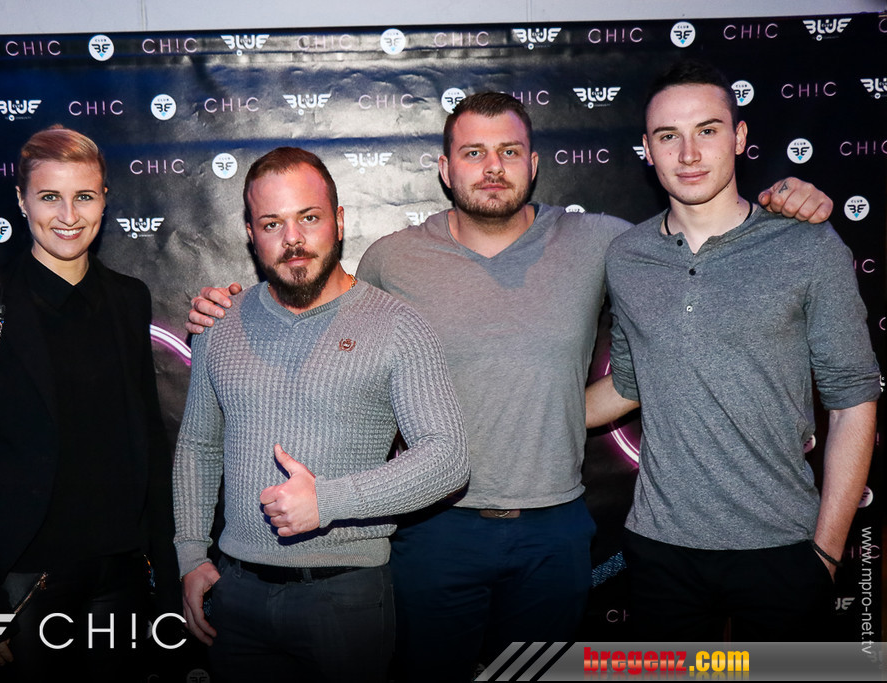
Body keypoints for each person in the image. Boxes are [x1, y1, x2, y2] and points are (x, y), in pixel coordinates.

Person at [185, 94, 833, 680]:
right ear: (445, 169)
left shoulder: (602, 242)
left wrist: (784, 206)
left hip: (554, 529)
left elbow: (695, 248)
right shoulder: (392, 257)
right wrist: (233, 309)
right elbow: (320, 304)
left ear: (534, 164)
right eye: (474, 153)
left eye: (509, 152)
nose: (492, 167)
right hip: (433, 531)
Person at [586, 59, 880, 640]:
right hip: (659, 549)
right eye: (668, 136)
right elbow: (628, 384)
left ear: (739, 137)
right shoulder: (627, 256)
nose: (688, 153)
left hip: (784, 547)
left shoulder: (808, 245)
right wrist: (519, 415)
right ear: (647, 150)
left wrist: (826, 552)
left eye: (707, 130)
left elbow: (852, 403)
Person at [173, 147, 468, 683]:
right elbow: (199, 446)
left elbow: (448, 459)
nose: (293, 239)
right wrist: (191, 555)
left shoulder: (396, 325)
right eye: (272, 223)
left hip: (346, 597)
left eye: (308, 217)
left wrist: (328, 501)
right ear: (251, 234)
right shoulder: (220, 323)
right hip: (236, 595)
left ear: (339, 221)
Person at [0, 126, 179, 680]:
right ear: (22, 201)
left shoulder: (128, 298)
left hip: (122, 577)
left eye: (84, 196)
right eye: (49, 196)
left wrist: (168, 574)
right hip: (23, 583)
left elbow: (148, 441)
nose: (68, 215)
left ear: (104, 201)